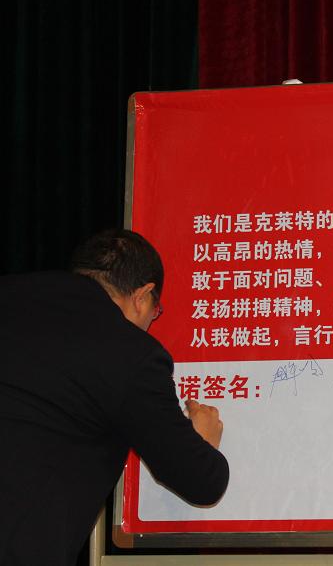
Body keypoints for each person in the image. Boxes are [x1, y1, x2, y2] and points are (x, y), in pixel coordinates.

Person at [0, 229, 230, 565]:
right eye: (155, 311)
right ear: (143, 295)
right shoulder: (129, 352)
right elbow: (200, 481)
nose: (150, 321)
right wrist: (203, 442)